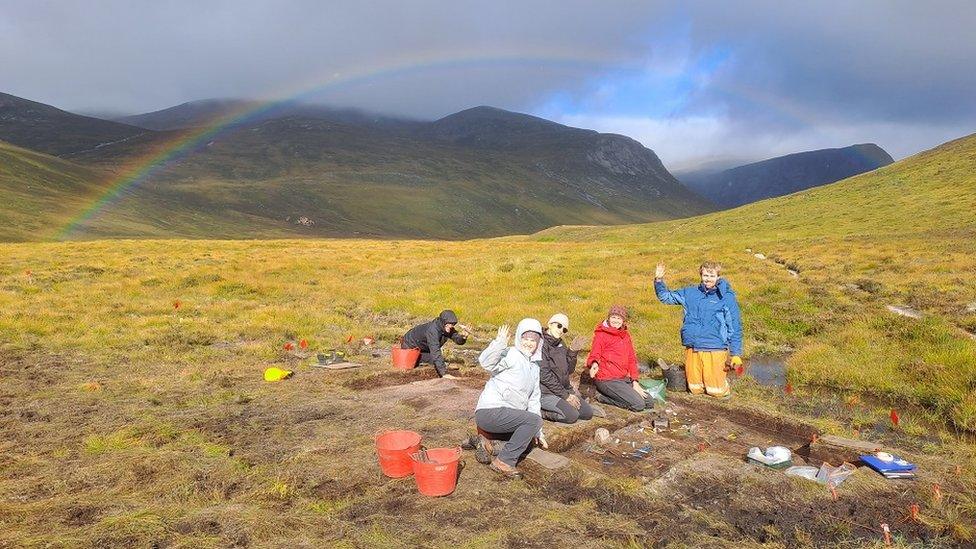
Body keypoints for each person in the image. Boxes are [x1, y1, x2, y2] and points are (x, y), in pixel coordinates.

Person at [654, 262, 743, 398]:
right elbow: (665, 297)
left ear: (718, 276)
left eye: (712, 275)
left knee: (716, 391)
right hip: (693, 347)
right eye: (705, 275)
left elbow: (734, 327)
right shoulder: (690, 293)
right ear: (701, 275)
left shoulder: (726, 297)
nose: (708, 279)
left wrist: (736, 353)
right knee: (695, 389)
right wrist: (659, 280)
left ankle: (722, 379)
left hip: (715, 346)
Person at [473, 319, 548, 479]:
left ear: (538, 343)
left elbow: (534, 400)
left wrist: (538, 432)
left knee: (528, 440)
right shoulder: (511, 354)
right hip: (490, 411)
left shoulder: (534, 368)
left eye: (533, 340)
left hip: (506, 417)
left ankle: (487, 444)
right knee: (531, 423)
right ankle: (503, 462)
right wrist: (499, 344)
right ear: (519, 338)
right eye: (525, 338)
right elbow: (486, 363)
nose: (528, 343)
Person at [586, 305, 654, 412]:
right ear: (609, 318)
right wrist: (594, 364)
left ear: (623, 321)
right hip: (606, 379)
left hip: (622, 379)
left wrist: (635, 381)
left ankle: (623, 395)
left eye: (619, 318)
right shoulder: (601, 334)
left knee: (649, 402)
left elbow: (631, 359)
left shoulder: (625, 336)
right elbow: (594, 354)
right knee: (638, 405)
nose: (615, 321)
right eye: (613, 317)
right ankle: (602, 397)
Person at [539, 313, 593, 424]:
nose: (561, 330)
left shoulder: (561, 343)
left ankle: (564, 405)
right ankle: (541, 412)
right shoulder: (541, 344)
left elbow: (569, 370)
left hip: (563, 389)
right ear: (550, 324)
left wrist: (573, 351)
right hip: (546, 392)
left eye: (564, 330)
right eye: (559, 326)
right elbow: (544, 375)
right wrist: (565, 396)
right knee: (571, 416)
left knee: (587, 413)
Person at [401, 310, 470, 379]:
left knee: (434, 360)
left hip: (423, 347)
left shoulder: (447, 328)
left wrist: (464, 337)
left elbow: (458, 341)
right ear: (443, 322)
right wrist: (444, 374)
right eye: (449, 324)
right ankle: (440, 366)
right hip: (409, 345)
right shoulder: (433, 331)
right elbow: (435, 351)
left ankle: (442, 365)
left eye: (453, 324)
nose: (451, 326)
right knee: (412, 364)